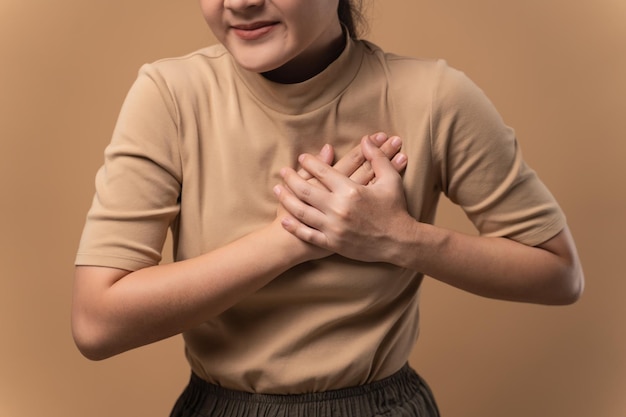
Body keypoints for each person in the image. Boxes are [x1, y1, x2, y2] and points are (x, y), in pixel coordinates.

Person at [72, 0, 585, 416]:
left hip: (382, 406)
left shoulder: (436, 98)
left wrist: (399, 239)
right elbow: (97, 324)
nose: (241, 2)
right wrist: (291, 238)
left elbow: (559, 274)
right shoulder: (170, 96)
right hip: (218, 406)